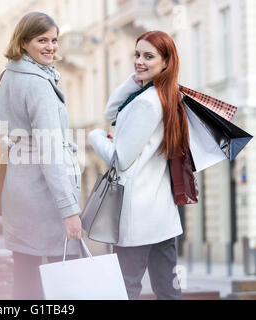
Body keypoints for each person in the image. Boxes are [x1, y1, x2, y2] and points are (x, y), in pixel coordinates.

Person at [0, 12, 82, 300]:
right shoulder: (39, 84)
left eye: (54, 40)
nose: (51, 47)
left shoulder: (4, 78)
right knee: (62, 282)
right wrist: (69, 210)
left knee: (25, 278)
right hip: (45, 196)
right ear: (24, 42)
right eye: (42, 40)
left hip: (17, 189)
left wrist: (20, 146)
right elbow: (50, 152)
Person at [88, 30, 187, 300]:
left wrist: (95, 137)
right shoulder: (167, 96)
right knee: (168, 291)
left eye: (149, 56)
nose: (139, 61)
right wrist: (137, 78)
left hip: (137, 215)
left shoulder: (146, 102)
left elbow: (120, 159)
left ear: (166, 62)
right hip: (161, 215)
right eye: (137, 54)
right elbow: (112, 112)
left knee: (126, 290)